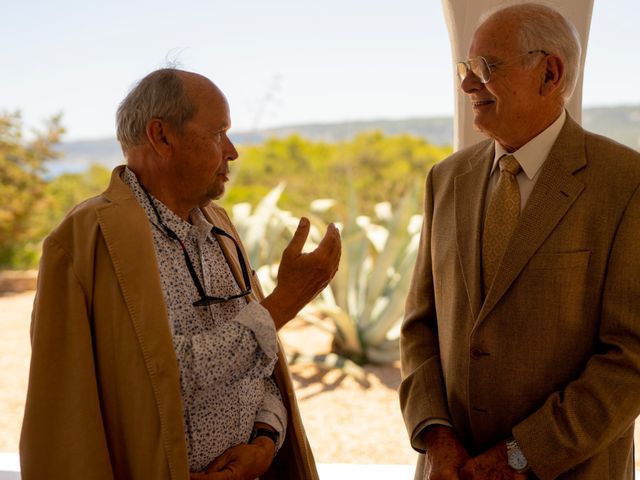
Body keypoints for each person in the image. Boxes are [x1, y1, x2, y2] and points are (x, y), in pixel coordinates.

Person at [20, 68, 341, 480]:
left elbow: (260, 365)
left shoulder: (218, 226)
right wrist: (283, 303)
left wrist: (264, 441)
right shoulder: (87, 241)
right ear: (162, 137)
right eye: (217, 133)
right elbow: (157, 377)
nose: (232, 151)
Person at [399, 3, 640, 480]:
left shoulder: (626, 183)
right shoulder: (446, 179)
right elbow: (419, 328)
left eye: (486, 68)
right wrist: (436, 438)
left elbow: (630, 357)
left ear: (550, 74)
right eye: (466, 68)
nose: (467, 84)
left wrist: (516, 457)